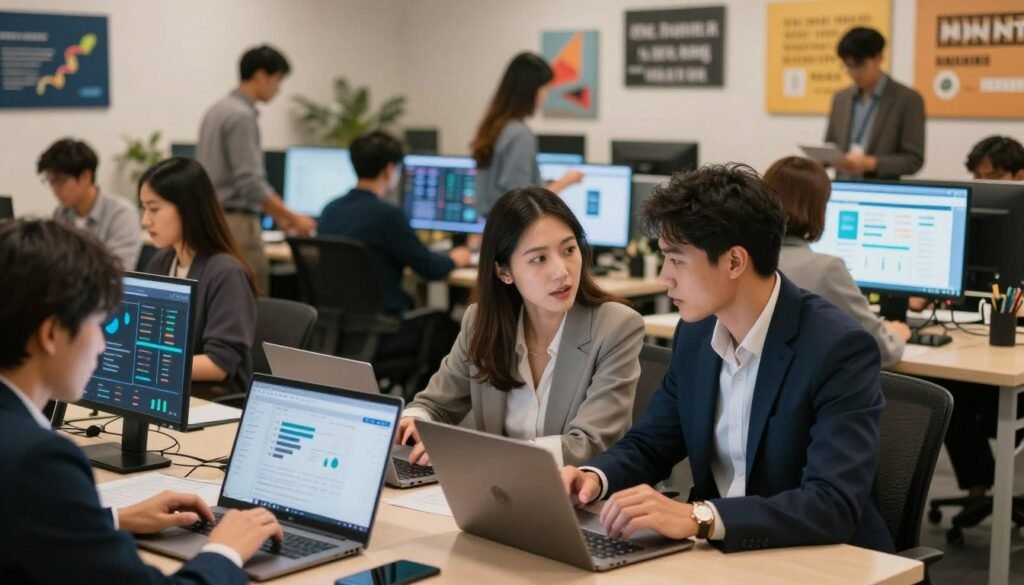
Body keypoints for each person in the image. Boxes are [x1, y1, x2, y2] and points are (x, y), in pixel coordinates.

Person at [560, 164, 893, 553]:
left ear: (735, 262)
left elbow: (831, 504)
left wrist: (699, 518)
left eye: (677, 259)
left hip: (814, 557)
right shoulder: (697, 333)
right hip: (720, 554)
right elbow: (652, 443)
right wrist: (593, 478)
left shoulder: (837, 348)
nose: (665, 277)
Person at [0, 218, 282, 584]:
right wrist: (226, 549)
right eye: (98, 324)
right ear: (52, 333)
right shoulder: (39, 462)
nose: (103, 344)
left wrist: (112, 518)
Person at [397, 187, 644, 467]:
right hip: (503, 494)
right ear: (504, 272)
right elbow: (435, 405)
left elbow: (589, 444)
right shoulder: (480, 323)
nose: (561, 271)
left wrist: (478, 454)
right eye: (539, 258)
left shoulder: (616, 327)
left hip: (587, 502)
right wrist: (413, 421)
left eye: (569, 250)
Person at [765, 156, 909, 366]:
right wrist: (897, 334)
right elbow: (881, 349)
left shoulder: (743, 261)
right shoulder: (826, 270)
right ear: (819, 209)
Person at [196, 45, 315, 293]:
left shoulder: (216, 110)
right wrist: (292, 218)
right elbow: (250, 183)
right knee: (251, 302)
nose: (278, 89)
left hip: (211, 219)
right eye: (277, 80)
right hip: (237, 225)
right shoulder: (241, 116)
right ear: (261, 76)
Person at [319, 131, 472, 315]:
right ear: (389, 169)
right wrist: (457, 257)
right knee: (447, 323)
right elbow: (430, 268)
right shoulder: (388, 215)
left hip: (339, 324)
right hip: (386, 326)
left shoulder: (330, 210)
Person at [139, 157, 258, 394]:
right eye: (143, 208)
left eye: (154, 209)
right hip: (165, 392)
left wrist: (148, 365)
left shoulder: (226, 274)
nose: (145, 220)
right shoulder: (161, 262)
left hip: (211, 400)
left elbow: (219, 364)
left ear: (187, 209)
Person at [471, 52, 583, 217]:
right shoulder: (519, 134)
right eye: (545, 90)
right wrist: (566, 182)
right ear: (530, 91)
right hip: (513, 232)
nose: (545, 98)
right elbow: (522, 202)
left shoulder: (493, 127)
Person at [825, 27, 925, 180]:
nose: (854, 73)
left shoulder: (908, 99)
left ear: (879, 58)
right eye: (848, 66)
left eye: (860, 65)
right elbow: (830, 145)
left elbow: (914, 160)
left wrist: (872, 163)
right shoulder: (841, 98)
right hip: (842, 187)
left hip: (881, 192)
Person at [37, 138, 141, 270]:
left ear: (86, 176)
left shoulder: (121, 214)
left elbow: (117, 269)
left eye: (60, 181)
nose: (55, 189)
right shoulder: (61, 213)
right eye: (51, 182)